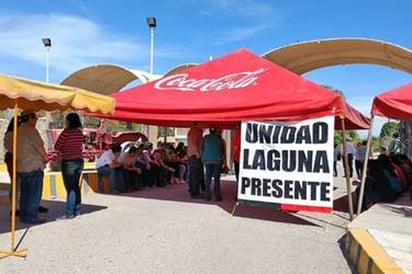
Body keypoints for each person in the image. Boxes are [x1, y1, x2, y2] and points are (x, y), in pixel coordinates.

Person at [16, 110, 48, 224]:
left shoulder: (17, 131)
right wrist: (45, 157)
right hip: (33, 166)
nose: (36, 120)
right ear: (29, 118)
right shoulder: (31, 131)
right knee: (34, 194)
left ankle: (24, 216)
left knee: (25, 193)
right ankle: (31, 217)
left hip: (22, 167)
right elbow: (39, 147)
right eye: (35, 118)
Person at [54, 113, 85, 220]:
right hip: (79, 161)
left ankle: (69, 213)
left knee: (70, 188)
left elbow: (57, 146)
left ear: (68, 121)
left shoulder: (65, 133)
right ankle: (77, 210)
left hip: (68, 162)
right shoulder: (79, 133)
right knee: (76, 186)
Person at [202, 126, 225, 201]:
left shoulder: (205, 138)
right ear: (215, 131)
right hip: (217, 160)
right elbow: (222, 150)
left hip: (207, 160)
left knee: (208, 178)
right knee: (216, 178)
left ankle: (207, 195)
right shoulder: (219, 139)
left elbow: (202, 148)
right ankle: (218, 196)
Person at [4, 117, 21, 215]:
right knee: (16, 183)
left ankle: (15, 205)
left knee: (14, 183)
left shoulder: (8, 134)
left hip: (11, 158)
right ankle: (16, 207)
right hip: (14, 158)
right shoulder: (14, 134)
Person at [187, 122, 204, 198]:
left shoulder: (194, 131)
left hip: (192, 155)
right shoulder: (194, 131)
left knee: (194, 174)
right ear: (197, 124)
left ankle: (193, 190)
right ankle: (195, 193)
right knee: (196, 175)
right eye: (202, 124)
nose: (203, 126)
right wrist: (198, 155)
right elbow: (193, 144)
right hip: (194, 156)